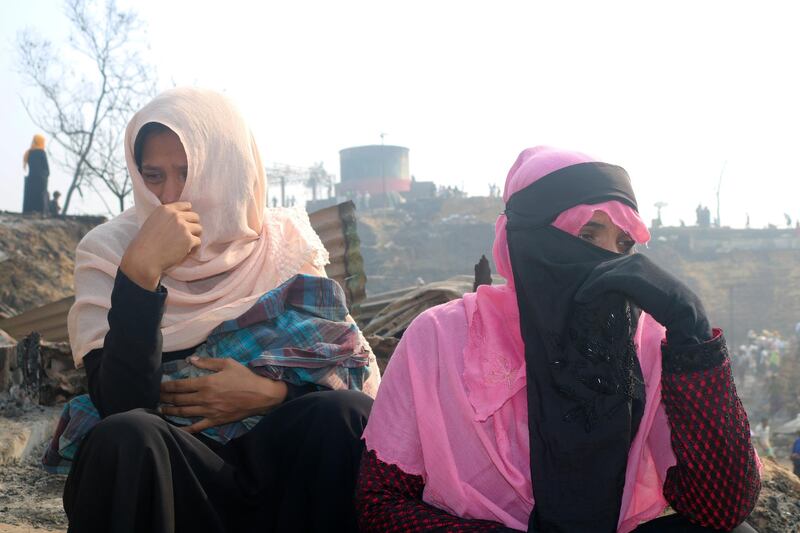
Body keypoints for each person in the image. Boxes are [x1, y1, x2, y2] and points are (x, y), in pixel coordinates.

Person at [356, 147, 760, 533]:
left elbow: (721, 506)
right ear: (531, 241)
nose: (609, 261)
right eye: (587, 236)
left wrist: (693, 334)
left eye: (623, 245)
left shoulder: (643, 341)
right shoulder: (443, 336)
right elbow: (379, 502)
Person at [56, 88, 380, 533]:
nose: (171, 198)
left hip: (282, 474)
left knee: (347, 415)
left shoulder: (284, 244)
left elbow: (355, 377)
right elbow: (120, 403)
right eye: (154, 176)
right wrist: (141, 274)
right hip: (176, 474)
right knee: (126, 437)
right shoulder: (109, 252)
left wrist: (270, 395)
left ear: (227, 171)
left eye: (189, 174)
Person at [22, 133, 50, 214]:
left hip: (31, 178)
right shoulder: (41, 152)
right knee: (39, 196)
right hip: (41, 179)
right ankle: (39, 212)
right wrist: (46, 175)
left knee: (31, 196)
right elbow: (46, 167)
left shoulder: (29, 153)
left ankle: (29, 211)